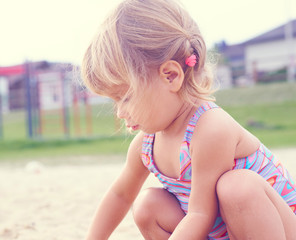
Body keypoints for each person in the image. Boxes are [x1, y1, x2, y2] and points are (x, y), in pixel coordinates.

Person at [81, 0, 296, 239]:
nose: (120, 112)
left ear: (171, 76)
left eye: (126, 97)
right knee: (147, 206)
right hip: (223, 230)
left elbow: (200, 215)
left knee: (237, 187)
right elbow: (120, 196)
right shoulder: (146, 145)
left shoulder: (210, 128)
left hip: (280, 229)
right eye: (115, 101)